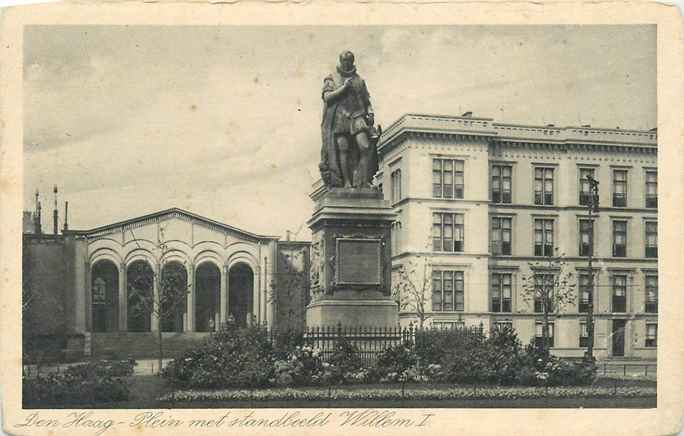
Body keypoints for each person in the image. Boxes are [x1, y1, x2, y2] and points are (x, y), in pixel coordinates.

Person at [320, 50, 378, 188]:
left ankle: (362, 180)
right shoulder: (331, 78)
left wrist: (370, 113)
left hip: (357, 115)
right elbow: (327, 97)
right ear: (341, 62)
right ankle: (346, 182)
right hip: (340, 116)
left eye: (349, 61)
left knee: (364, 146)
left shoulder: (359, 80)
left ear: (353, 61)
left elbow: (366, 100)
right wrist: (344, 88)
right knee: (343, 148)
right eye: (344, 61)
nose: (347, 63)